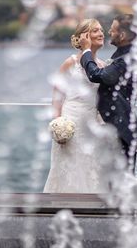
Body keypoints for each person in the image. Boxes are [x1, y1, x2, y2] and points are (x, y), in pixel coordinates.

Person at [43, 19, 119, 193]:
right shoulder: (71, 62)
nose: (101, 34)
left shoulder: (102, 66)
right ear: (83, 36)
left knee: (92, 166)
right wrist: (58, 123)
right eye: (95, 31)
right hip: (71, 121)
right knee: (69, 164)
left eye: (101, 30)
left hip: (93, 123)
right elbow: (57, 94)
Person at [79, 14, 137, 173]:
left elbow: (96, 76)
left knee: (121, 180)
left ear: (122, 35)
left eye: (112, 30)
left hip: (120, 130)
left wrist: (86, 50)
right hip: (117, 127)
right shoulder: (128, 56)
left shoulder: (125, 59)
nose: (108, 32)